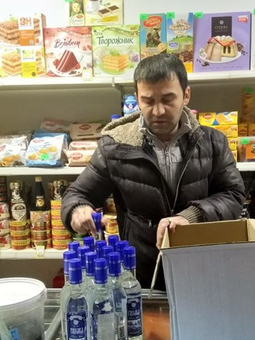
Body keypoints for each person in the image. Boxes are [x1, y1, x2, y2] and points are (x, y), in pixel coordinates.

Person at [61, 54, 245, 290]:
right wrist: (77, 211)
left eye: (168, 99)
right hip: (141, 272)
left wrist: (190, 217)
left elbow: (233, 195)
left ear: (186, 95)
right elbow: (77, 194)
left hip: (201, 264)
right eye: (148, 101)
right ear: (137, 98)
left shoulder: (212, 142)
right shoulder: (115, 146)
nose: (158, 111)